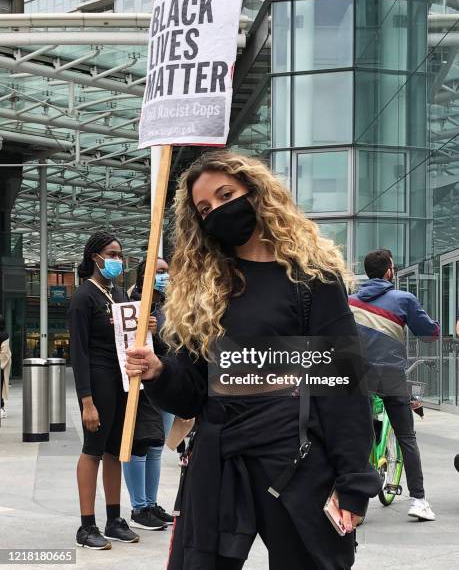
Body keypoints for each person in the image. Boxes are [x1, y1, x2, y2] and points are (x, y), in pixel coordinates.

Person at [125, 151, 381, 570]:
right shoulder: (203, 289)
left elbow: (341, 385)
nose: (217, 212)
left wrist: (354, 483)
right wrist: (158, 372)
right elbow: (190, 394)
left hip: (294, 461)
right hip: (219, 457)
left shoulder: (310, 277)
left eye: (226, 195)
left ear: (257, 192)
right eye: (204, 208)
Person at [349, 249, 440, 521]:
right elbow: (429, 335)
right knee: (406, 437)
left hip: (358, 375)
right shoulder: (403, 299)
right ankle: (419, 501)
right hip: (391, 375)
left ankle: (354, 501)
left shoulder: (349, 301)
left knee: (358, 436)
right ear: (389, 271)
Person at [69, 231, 140, 550]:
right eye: (112, 254)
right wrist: (87, 401)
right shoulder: (84, 296)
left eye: (120, 255)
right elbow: (79, 352)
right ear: (94, 257)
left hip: (121, 380)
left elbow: (132, 337)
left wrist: (147, 326)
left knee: (114, 451)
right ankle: (87, 526)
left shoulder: (121, 294)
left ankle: (113, 519)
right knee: (93, 449)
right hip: (97, 381)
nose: (117, 260)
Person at [123, 258, 175, 530]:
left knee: (157, 445)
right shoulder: (129, 302)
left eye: (166, 271)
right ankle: (139, 507)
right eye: (158, 272)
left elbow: (180, 341)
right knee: (139, 445)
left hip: (167, 379)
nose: (164, 276)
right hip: (140, 384)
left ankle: (151, 503)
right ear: (144, 275)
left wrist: (162, 333)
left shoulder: (173, 302)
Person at [0, 315, 11, 419]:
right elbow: (5, 353)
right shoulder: (4, 335)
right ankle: (1, 408)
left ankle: (1, 407)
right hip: (1, 365)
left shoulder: (3, 335)